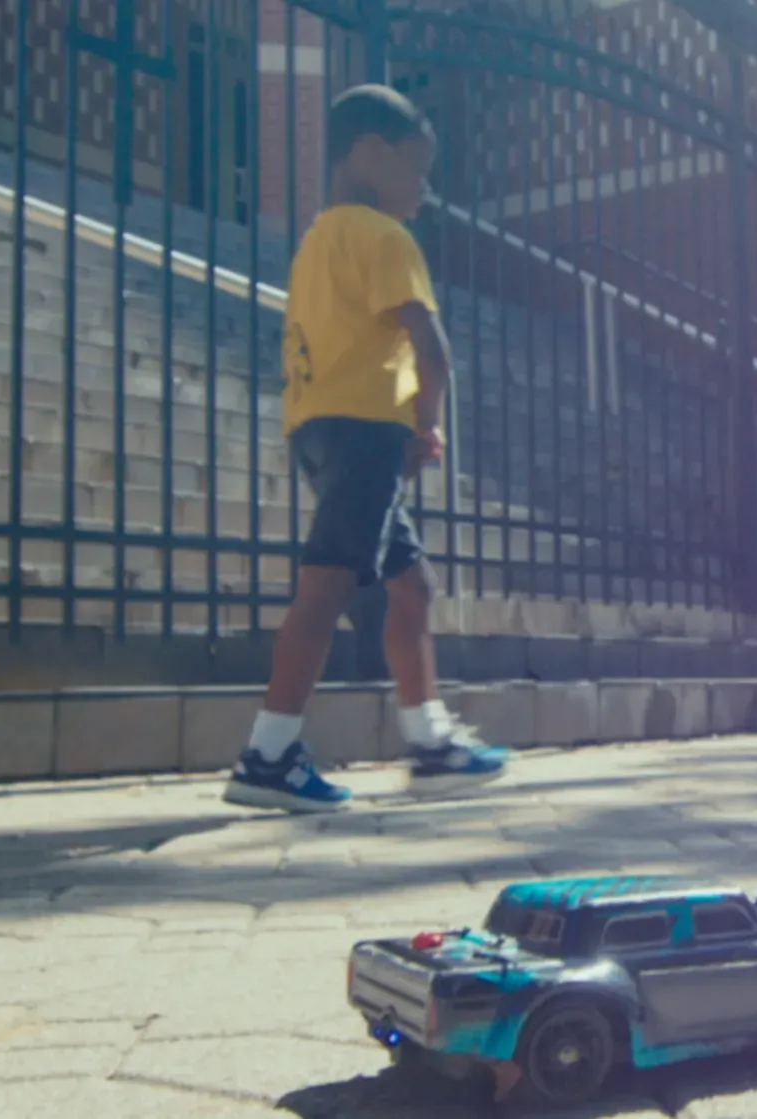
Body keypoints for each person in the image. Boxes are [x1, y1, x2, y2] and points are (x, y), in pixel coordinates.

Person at [224, 85, 509, 813]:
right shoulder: (387, 239)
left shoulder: (318, 238)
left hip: (317, 426)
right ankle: (268, 754)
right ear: (371, 153)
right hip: (367, 431)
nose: (425, 188)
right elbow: (432, 349)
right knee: (325, 589)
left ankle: (429, 739)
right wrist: (427, 423)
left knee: (411, 588)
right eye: (417, 169)